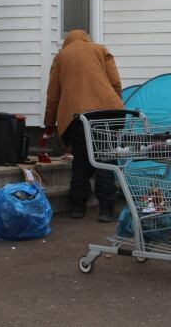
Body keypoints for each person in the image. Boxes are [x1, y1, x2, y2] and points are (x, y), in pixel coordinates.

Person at [42, 30, 124, 222]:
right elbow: (115, 82)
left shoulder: (61, 57)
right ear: (87, 38)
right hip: (106, 112)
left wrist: (49, 122)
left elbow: (53, 95)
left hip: (77, 117)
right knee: (105, 159)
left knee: (80, 160)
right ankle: (106, 210)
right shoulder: (100, 50)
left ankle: (77, 207)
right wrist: (115, 105)